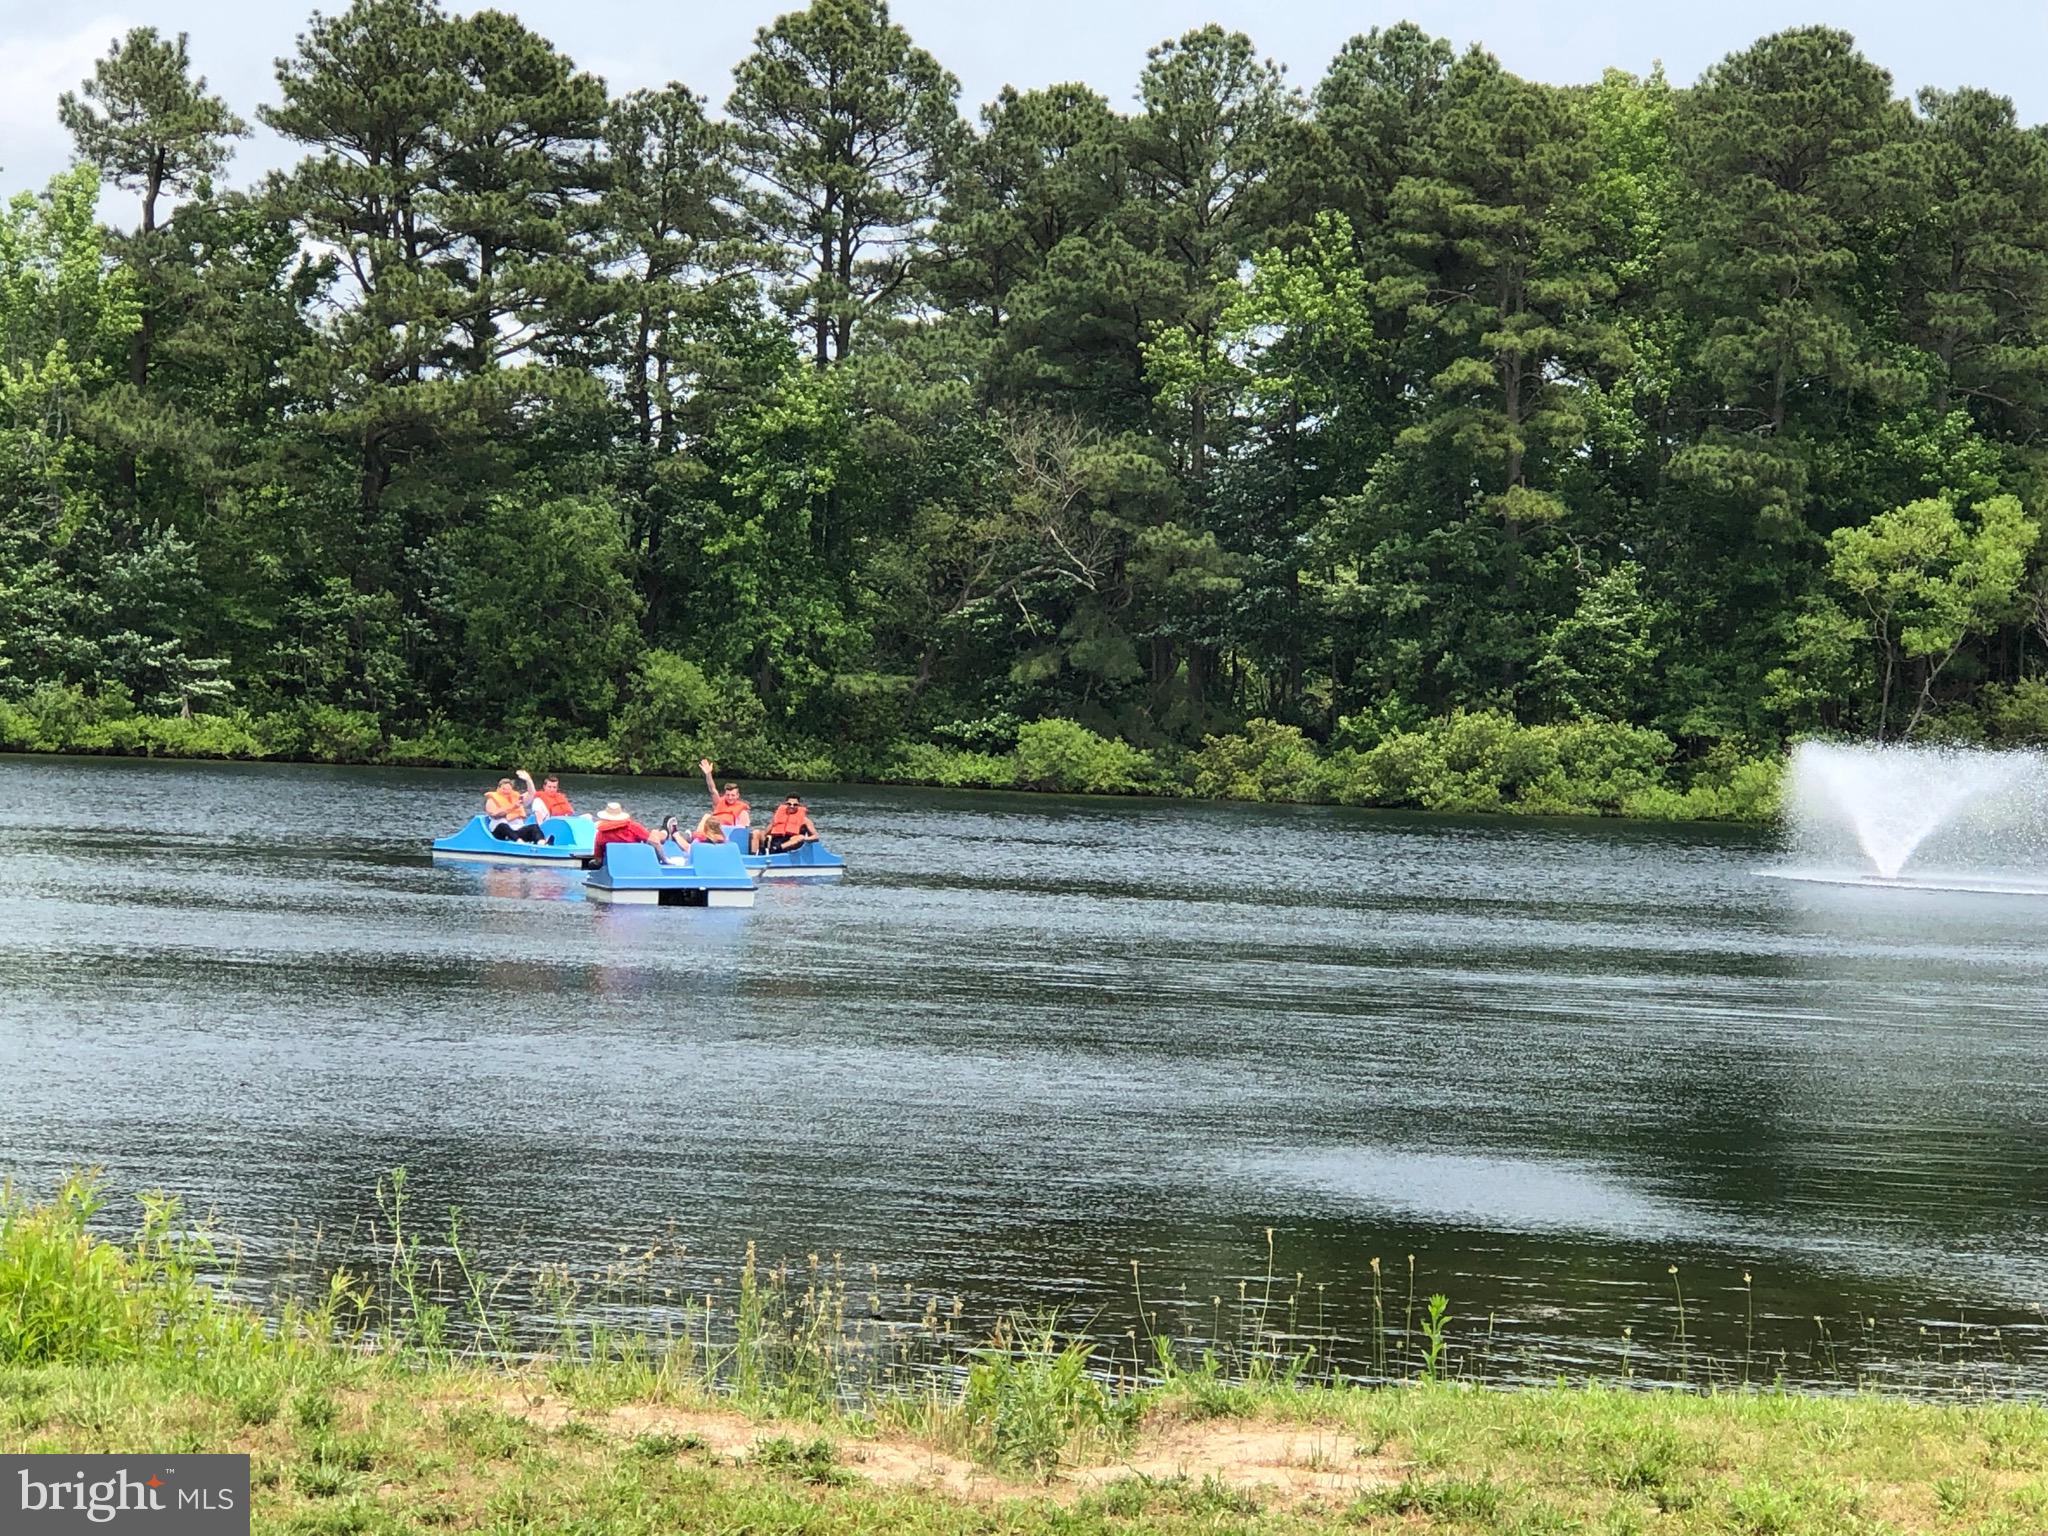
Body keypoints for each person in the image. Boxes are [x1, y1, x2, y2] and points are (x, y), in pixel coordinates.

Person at [593, 801, 684, 864]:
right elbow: (654, 842)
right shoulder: (632, 827)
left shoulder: (600, 835)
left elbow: (598, 860)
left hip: (615, 867)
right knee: (654, 834)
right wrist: (665, 860)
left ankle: (665, 832)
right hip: (636, 862)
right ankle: (667, 833)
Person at [483, 777, 548, 843]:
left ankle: (542, 844)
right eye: (504, 789)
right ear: (498, 788)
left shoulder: (516, 798)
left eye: (509, 789)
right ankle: (520, 843)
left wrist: (528, 780)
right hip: (499, 831)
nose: (506, 791)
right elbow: (495, 815)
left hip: (516, 829)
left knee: (534, 827)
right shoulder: (491, 800)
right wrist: (513, 807)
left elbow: (532, 793)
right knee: (503, 825)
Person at [699, 758, 750, 829]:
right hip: (715, 831)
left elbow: (742, 831)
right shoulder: (719, 802)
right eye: (728, 795)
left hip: (729, 833)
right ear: (725, 795)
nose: (730, 798)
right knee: (706, 816)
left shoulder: (742, 811)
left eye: (733, 795)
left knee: (743, 814)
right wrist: (708, 774)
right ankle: (697, 837)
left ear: (737, 796)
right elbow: (712, 790)